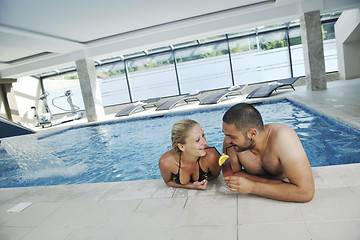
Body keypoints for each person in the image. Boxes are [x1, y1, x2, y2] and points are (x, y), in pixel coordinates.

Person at [222, 103, 315, 202]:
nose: (227, 141)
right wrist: (275, 184)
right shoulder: (232, 143)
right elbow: (233, 176)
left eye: (232, 136)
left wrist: (252, 187)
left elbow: (306, 193)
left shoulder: (283, 138)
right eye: (225, 135)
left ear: (253, 133)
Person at [159, 119, 221, 190]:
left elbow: (215, 176)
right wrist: (191, 186)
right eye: (197, 140)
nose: (205, 142)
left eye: (203, 135)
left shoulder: (212, 157)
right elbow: (168, 181)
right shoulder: (166, 162)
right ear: (182, 147)